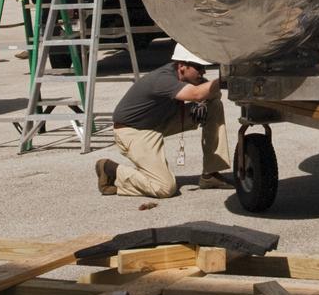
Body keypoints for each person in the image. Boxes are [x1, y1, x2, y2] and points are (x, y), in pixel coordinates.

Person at [95, 42, 232, 198]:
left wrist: (204, 102)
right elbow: (196, 94)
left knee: (213, 106)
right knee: (164, 188)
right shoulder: (163, 79)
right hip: (133, 131)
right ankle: (112, 170)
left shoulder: (189, 77)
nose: (203, 71)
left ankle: (210, 174)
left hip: (159, 121)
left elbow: (209, 94)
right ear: (182, 66)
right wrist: (223, 79)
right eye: (199, 67)